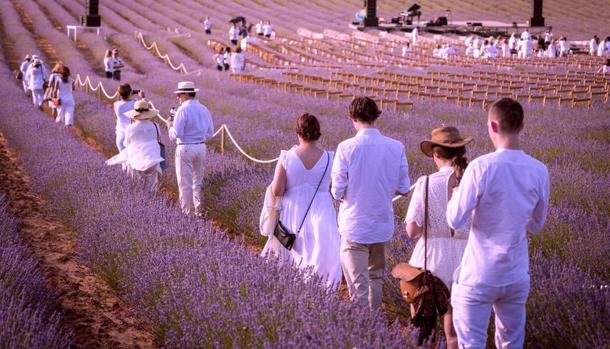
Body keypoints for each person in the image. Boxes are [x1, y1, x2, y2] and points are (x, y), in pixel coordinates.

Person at [447, 98, 550, 349]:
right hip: (515, 273)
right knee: (511, 343)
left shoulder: (481, 167)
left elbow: (454, 219)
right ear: (522, 125)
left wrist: (457, 192)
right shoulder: (539, 170)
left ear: (493, 125)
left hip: (479, 273)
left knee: (471, 343)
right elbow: (537, 225)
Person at [331, 97, 410, 309]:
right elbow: (404, 187)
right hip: (381, 224)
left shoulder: (346, 147)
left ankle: (363, 334)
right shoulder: (396, 147)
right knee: (375, 277)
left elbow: (337, 191)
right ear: (376, 116)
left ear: (353, 118)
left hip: (354, 224)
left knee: (358, 286)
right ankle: (374, 325)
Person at [406, 126, 473, 349]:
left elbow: (412, 230)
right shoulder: (471, 183)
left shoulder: (426, 182)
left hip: (429, 262)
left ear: (436, 154)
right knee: (455, 334)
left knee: (424, 332)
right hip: (463, 262)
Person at [262, 113, 342, 289]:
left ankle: (290, 290)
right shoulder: (330, 157)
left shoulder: (287, 157)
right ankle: (320, 288)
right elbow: (335, 188)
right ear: (317, 133)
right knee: (319, 250)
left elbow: (277, 190)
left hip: (293, 208)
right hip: (321, 208)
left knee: (292, 250)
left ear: (298, 132)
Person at [166, 81, 214, 216]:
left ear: (186, 94)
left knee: (184, 183)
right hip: (201, 147)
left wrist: (169, 125)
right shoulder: (204, 108)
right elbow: (210, 132)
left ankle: (187, 213)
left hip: (185, 147)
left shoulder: (182, 110)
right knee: (197, 182)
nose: (178, 98)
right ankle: (198, 211)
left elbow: (176, 135)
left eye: (179, 95)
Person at [106, 99, 164, 193]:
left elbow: (126, 143)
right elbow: (158, 138)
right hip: (153, 158)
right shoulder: (156, 126)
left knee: (136, 186)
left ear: (135, 114)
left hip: (136, 159)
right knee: (151, 186)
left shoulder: (130, 128)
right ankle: (150, 202)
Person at [114, 84, 144, 153]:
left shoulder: (116, 105)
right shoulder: (135, 103)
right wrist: (142, 97)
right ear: (130, 93)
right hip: (131, 135)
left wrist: (128, 93)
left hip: (120, 137)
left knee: (124, 161)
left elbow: (121, 100)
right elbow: (144, 109)